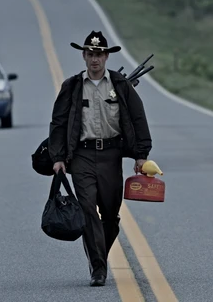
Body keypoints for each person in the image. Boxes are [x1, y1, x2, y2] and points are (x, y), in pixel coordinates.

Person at [48, 31, 152, 287]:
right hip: (81, 155)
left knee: (110, 213)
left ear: (106, 56)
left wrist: (141, 155)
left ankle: (98, 257)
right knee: (86, 208)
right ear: (84, 56)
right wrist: (58, 157)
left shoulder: (120, 85)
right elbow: (59, 123)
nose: (95, 59)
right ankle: (98, 268)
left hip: (111, 154)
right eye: (90, 54)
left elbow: (138, 119)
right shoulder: (72, 86)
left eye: (99, 54)